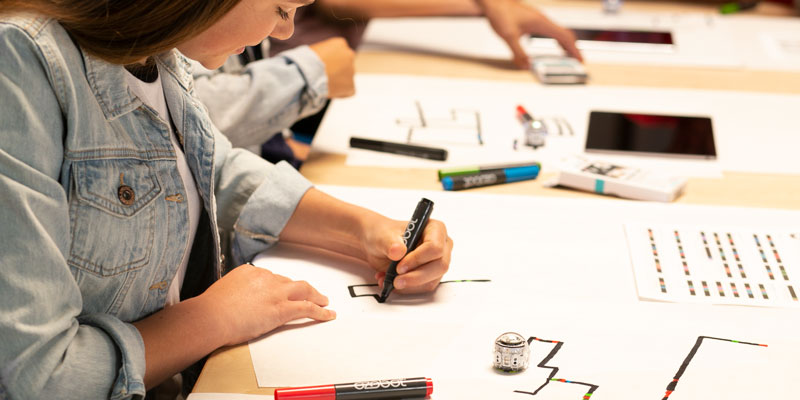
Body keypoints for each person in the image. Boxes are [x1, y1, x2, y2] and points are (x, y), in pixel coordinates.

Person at [0, 0, 453, 398]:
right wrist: (215, 318)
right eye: (280, 8)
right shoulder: (20, 60)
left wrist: (364, 229)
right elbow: (42, 376)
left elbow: (204, 168)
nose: (286, 32)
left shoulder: (156, 46)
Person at [194, 0, 583, 167]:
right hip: (295, 87)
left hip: (279, 116)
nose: (285, 27)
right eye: (282, 10)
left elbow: (222, 165)